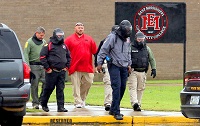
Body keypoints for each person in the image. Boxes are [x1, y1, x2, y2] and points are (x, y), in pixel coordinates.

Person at [97, 20, 132, 120]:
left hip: (124, 65)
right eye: (127, 30)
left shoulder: (127, 39)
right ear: (122, 29)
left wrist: (129, 64)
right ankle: (116, 111)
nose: (128, 31)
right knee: (116, 87)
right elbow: (103, 50)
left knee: (123, 87)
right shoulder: (112, 37)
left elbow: (128, 52)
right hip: (114, 65)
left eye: (130, 30)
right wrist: (99, 63)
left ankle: (113, 108)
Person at [64, 22, 97, 108]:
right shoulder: (69, 39)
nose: (80, 29)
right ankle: (77, 101)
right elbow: (64, 52)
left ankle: (82, 98)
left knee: (89, 81)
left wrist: (97, 64)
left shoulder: (89, 39)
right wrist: (66, 65)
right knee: (76, 85)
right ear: (75, 29)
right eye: (78, 27)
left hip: (87, 66)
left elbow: (95, 52)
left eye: (82, 27)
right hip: (74, 66)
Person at [40, 28, 71, 112]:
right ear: (55, 35)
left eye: (61, 35)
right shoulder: (48, 45)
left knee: (60, 89)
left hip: (61, 71)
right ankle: (44, 104)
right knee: (48, 88)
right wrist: (48, 68)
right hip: (51, 71)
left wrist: (67, 67)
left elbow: (68, 57)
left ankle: (61, 107)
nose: (60, 36)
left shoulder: (64, 45)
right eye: (58, 35)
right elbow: (42, 57)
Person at [127, 31, 156, 111]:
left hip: (143, 72)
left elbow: (151, 59)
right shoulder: (130, 47)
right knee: (132, 87)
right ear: (136, 39)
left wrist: (154, 68)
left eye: (142, 39)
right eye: (139, 39)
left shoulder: (147, 48)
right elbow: (126, 58)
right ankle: (134, 103)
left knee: (140, 88)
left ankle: (138, 104)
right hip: (133, 71)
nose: (141, 41)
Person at [94, 25, 119, 111]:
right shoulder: (105, 41)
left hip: (118, 65)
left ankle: (115, 103)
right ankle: (108, 102)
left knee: (117, 85)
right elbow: (99, 53)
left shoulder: (122, 41)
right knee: (108, 82)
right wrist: (98, 64)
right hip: (107, 63)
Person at [23, 26, 46, 109]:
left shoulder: (44, 42)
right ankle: (35, 102)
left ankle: (41, 99)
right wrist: (27, 66)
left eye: (43, 35)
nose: (42, 37)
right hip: (33, 66)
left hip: (43, 66)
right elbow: (26, 54)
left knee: (46, 83)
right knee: (34, 85)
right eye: (40, 35)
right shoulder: (29, 42)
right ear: (36, 33)